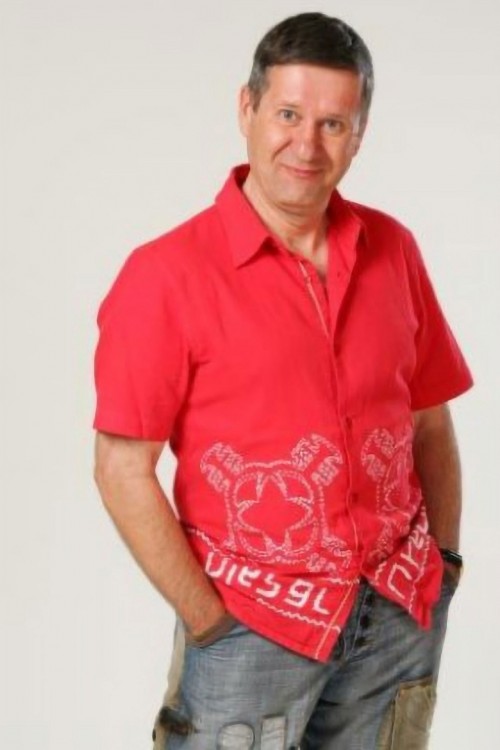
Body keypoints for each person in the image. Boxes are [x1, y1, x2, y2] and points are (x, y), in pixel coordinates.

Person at [93, 12, 473, 750]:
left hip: (398, 610)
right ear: (248, 108)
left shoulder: (394, 249)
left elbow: (429, 418)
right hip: (250, 626)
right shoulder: (165, 276)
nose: (307, 144)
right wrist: (208, 620)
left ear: (359, 134)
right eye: (289, 114)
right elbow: (120, 467)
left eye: (333, 123)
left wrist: (446, 562)